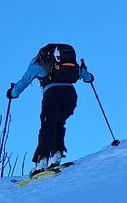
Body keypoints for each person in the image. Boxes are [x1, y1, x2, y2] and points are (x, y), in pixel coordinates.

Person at [7, 43, 94, 173]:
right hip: (70, 95)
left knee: (47, 126)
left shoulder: (39, 65)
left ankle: (41, 161)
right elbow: (88, 77)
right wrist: (89, 77)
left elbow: (24, 81)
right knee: (59, 124)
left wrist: (12, 93)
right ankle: (56, 155)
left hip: (52, 95)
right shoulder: (71, 66)